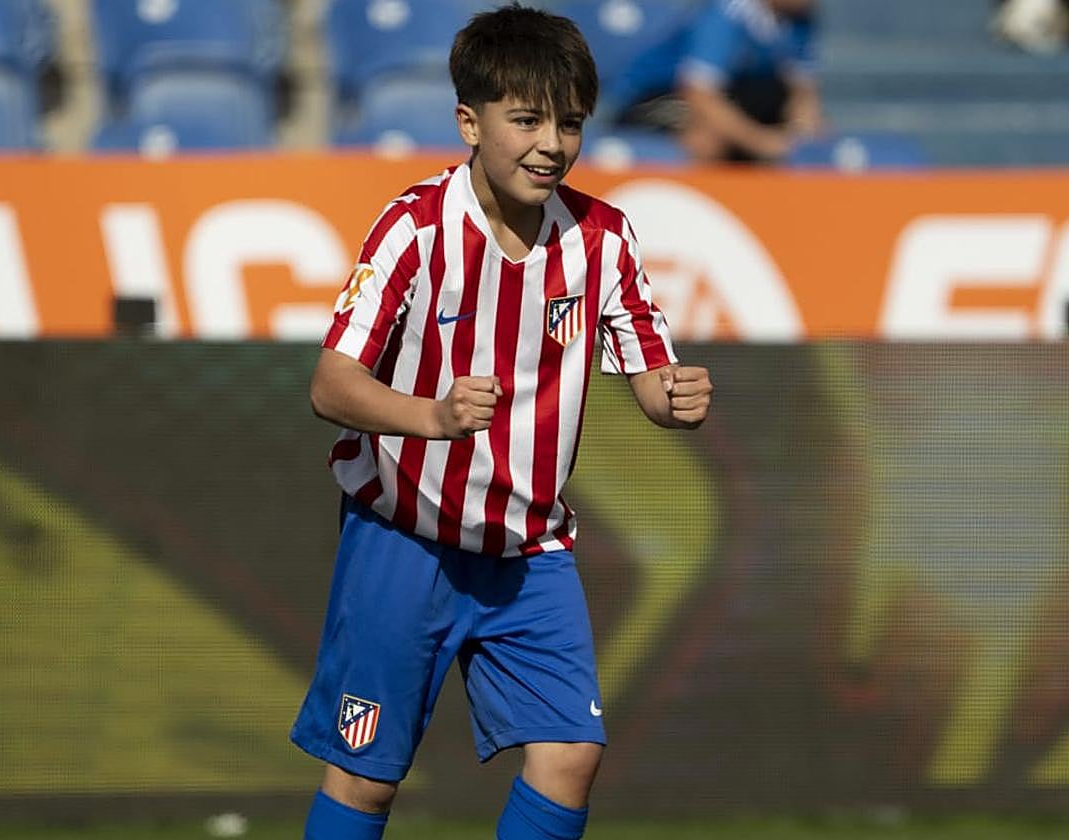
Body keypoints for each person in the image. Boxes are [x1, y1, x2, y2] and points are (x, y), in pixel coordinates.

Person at [290, 4, 713, 839]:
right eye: (526, 120)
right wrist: (432, 416)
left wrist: (676, 399)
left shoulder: (603, 239)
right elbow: (331, 386)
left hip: (529, 550)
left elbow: (651, 379)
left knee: (570, 757)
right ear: (469, 122)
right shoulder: (413, 229)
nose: (551, 144)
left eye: (570, 123)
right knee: (366, 779)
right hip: (404, 539)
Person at [610, 0, 824, 163]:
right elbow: (699, 94)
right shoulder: (727, 12)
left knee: (816, 136)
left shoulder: (800, 22)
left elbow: (802, 93)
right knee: (707, 137)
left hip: (728, 95)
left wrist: (801, 134)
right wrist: (760, 141)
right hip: (654, 98)